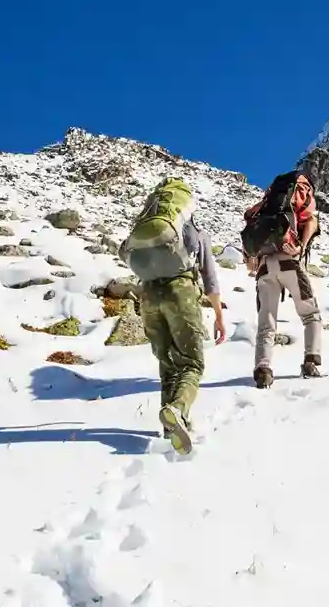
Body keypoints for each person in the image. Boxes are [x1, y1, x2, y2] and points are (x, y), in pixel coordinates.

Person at [118, 177, 225, 455]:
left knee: (167, 363)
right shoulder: (194, 232)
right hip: (180, 292)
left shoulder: (146, 225)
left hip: (148, 296)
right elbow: (210, 279)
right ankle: (178, 410)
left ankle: (171, 430)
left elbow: (123, 252)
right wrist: (218, 315)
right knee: (192, 364)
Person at [240, 170, 323, 389]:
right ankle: (311, 362)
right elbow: (311, 220)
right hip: (289, 263)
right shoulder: (302, 195)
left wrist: (251, 256)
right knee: (310, 314)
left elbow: (249, 220)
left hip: (264, 268)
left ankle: (263, 370)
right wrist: (301, 247)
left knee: (266, 324)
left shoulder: (266, 205)